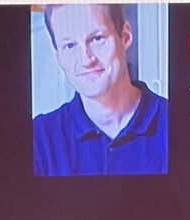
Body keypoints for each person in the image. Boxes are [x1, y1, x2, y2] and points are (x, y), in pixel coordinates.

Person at [33, 4, 167, 176]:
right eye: (70, 46)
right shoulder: (38, 138)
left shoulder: (178, 124)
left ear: (125, 36)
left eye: (97, 39)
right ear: (58, 56)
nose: (86, 60)